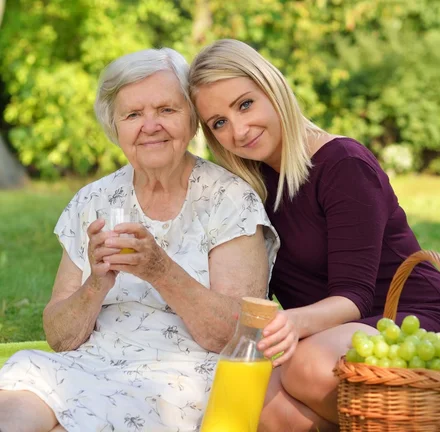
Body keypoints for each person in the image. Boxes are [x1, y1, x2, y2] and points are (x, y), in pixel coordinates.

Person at [0, 47, 279, 432]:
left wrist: (160, 270)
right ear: (115, 128)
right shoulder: (93, 201)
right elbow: (60, 338)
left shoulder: (229, 200)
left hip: (178, 376)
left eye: (166, 110)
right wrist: (97, 282)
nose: (150, 125)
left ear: (192, 120)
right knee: (14, 398)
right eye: (133, 114)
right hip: (89, 363)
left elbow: (233, 335)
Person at [189, 39, 440, 432]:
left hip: (404, 316)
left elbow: (355, 297)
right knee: (257, 405)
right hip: (329, 333)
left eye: (245, 104)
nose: (239, 129)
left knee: (305, 368)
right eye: (219, 123)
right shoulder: (248, 187)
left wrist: (294, 324)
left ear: (273, 88)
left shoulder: (343, 165)